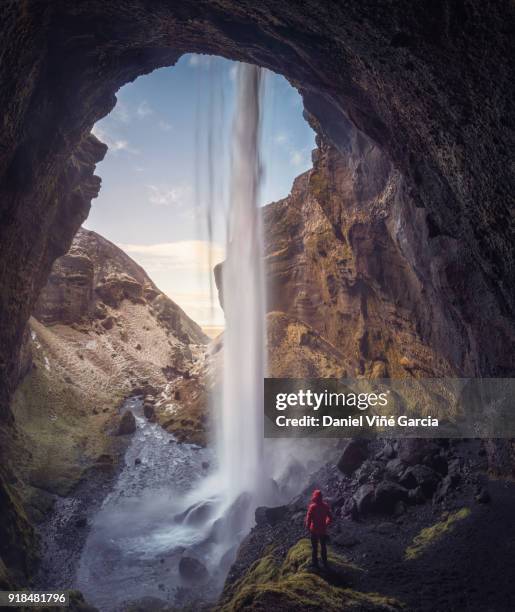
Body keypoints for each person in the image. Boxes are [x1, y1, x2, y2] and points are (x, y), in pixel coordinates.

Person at [305, 489, 332, 568]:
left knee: (314, 548)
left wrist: (308, 527)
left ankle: (315, 563)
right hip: (322, 530)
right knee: (323, 547)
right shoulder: (325, 506)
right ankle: (324, 562)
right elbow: (330, 518)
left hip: (314, 530)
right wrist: (326, 524)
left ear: (315, 497)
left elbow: (308, 519)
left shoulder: (312, 507)